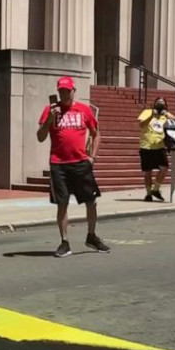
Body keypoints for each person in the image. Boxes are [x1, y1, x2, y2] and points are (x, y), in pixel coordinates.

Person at [37, 76, 111, 258]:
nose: (64, 94)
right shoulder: (50, 110)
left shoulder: (83, 110)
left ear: (73, 91)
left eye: (67, 91)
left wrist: (92, 157)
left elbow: (96, 134)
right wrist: (49, 120)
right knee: (62, 204)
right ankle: (64, 242)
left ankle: (91, 236)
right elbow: (40, 136)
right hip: (58, 164)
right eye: (61, 91)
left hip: (80, 163)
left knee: (91, 201)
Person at [137, 97, 175, 201]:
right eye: (158, 103)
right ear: (154, 104)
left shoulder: (165, 115)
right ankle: (148, 193)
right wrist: (151, 115)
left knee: (164, 168)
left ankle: (156, 189)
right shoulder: (147, 112)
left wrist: (167, 114)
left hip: (160, 145)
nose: (160, 105)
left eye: (162, 103)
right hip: (147, 145)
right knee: (148, 171)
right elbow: (141, 124)